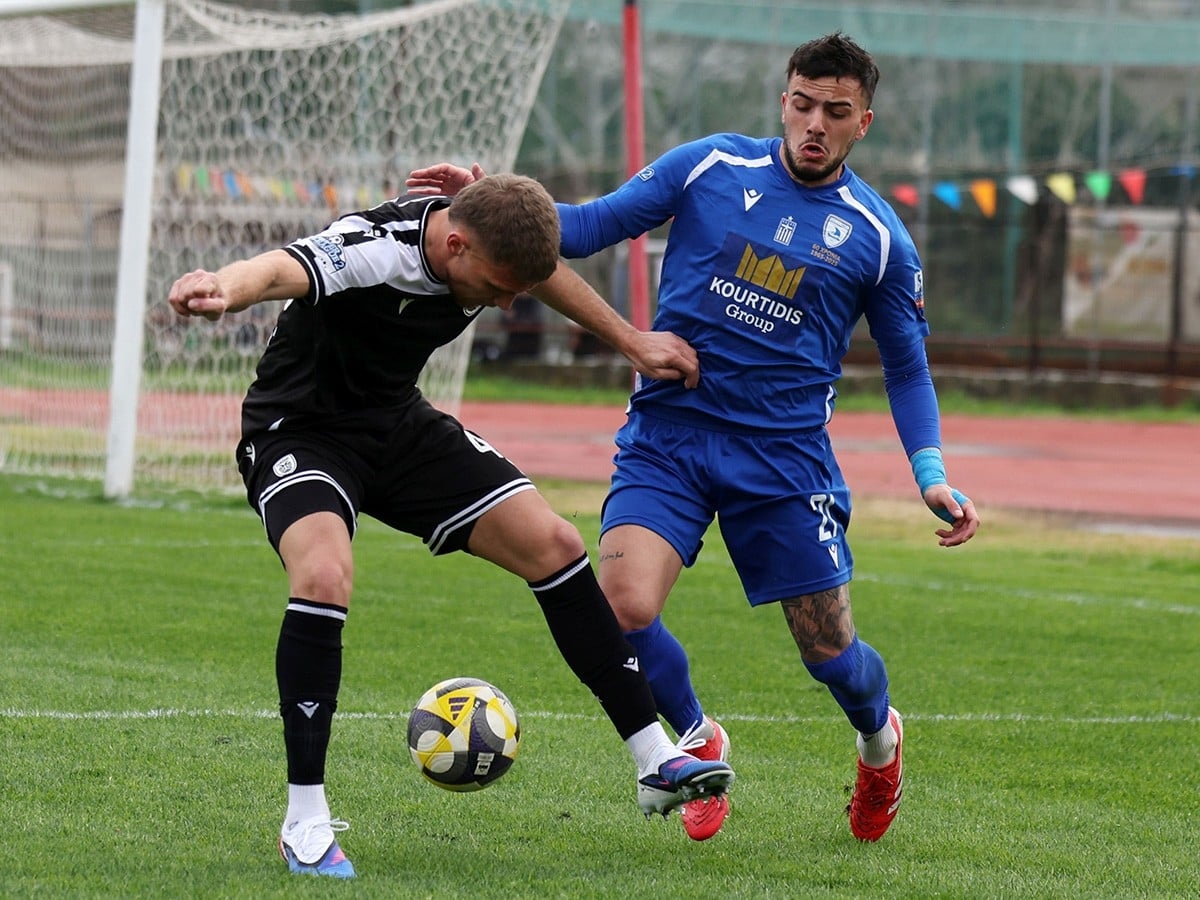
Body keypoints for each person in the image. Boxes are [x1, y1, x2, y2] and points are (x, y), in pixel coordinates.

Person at [406, 31, 980, 843]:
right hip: (669, 435)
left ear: (864, 123)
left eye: (836, 112)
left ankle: (880, 741)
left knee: (829, 653)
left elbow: (908, 370)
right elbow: (581, 226)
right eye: (804, 103)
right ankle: (695, 739)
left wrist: (931, 473)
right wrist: (487, 202)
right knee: (624, 605)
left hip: (783, 461)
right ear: (784, 100)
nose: (815, 122)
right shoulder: (712, 167)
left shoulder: (878, 236)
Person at [166, 173, 734, 878]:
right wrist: (223, 284)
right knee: (324, 573)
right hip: (299, 433)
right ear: (455, 244)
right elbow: (284, 268)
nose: (503, 302)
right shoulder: (376, 249)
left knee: (553, 543)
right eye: (497, 286)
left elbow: (537, 272)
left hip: (396, 427)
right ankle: (304, 820)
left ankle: (653, 757)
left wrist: (630, 341)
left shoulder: (486, 236)